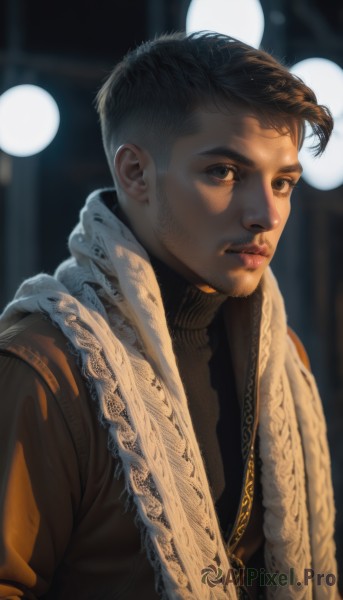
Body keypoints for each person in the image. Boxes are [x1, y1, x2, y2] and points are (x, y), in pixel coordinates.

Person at [0, 31, 340, 600]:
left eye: (282, 182)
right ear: (134, 172)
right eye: (225, 172)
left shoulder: (284, 358)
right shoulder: (46, 369)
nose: (266, 214)